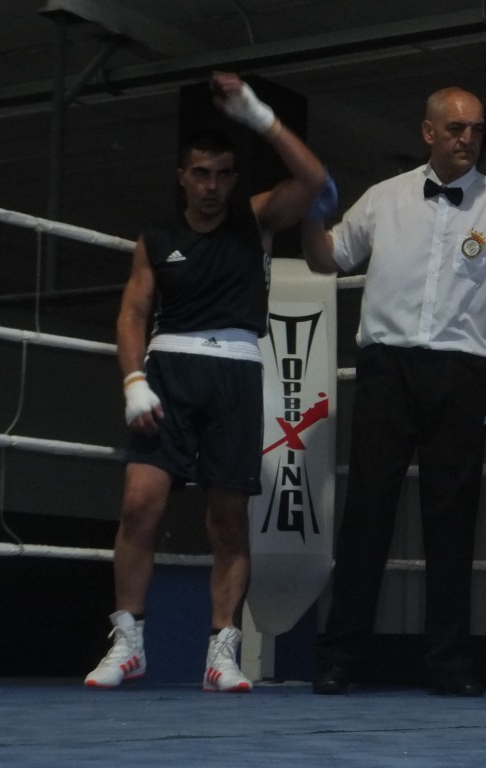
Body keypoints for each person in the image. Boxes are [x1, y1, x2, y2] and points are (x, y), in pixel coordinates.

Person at [84, 71, 328, 692]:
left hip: (237, 374)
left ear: (233, 178)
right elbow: (133, 313)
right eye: (201, 173)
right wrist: (133, 380)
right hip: (168, 371)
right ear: (182, 175)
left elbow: (315, 182)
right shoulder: (157, 238)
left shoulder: (256, 221)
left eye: (223, 174)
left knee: (227, 522)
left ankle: (222, 650)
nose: (213, 186)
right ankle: (129, 642)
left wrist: (256, 112)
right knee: (140, 505)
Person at [301, 87, 486, 696]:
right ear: (428, 132)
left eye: (477, 129)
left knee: (453, 522)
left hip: (461, 374)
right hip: (387, 368)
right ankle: (340, 658)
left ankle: (450, 664)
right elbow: (329, 258)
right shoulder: (384, 199)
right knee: (367, 516)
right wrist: (310, 214)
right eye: (457, 128)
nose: (468, 138)